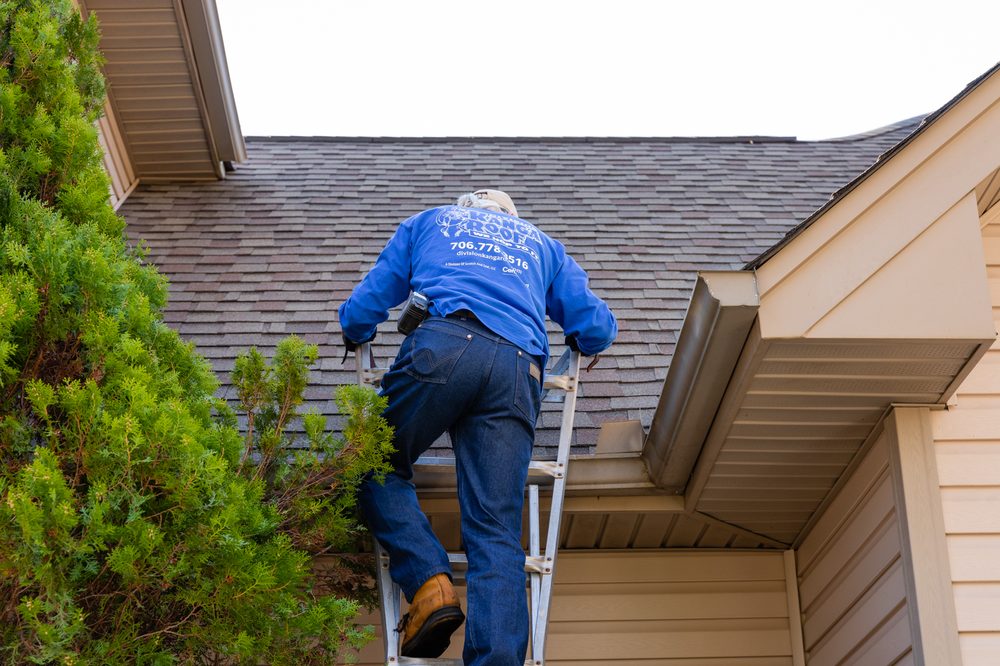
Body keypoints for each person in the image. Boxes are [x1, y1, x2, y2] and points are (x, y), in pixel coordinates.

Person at [339, 189, 617, 665]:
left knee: (371, 463)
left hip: (443, 345)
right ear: (513, 218)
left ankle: (431, 586)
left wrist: (356, 332)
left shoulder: (431, 222)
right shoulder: (542, 245)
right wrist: (582, 339)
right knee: (495, 529)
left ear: (465, 209)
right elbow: (596, 327)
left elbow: (366, 304)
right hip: (517, 369)